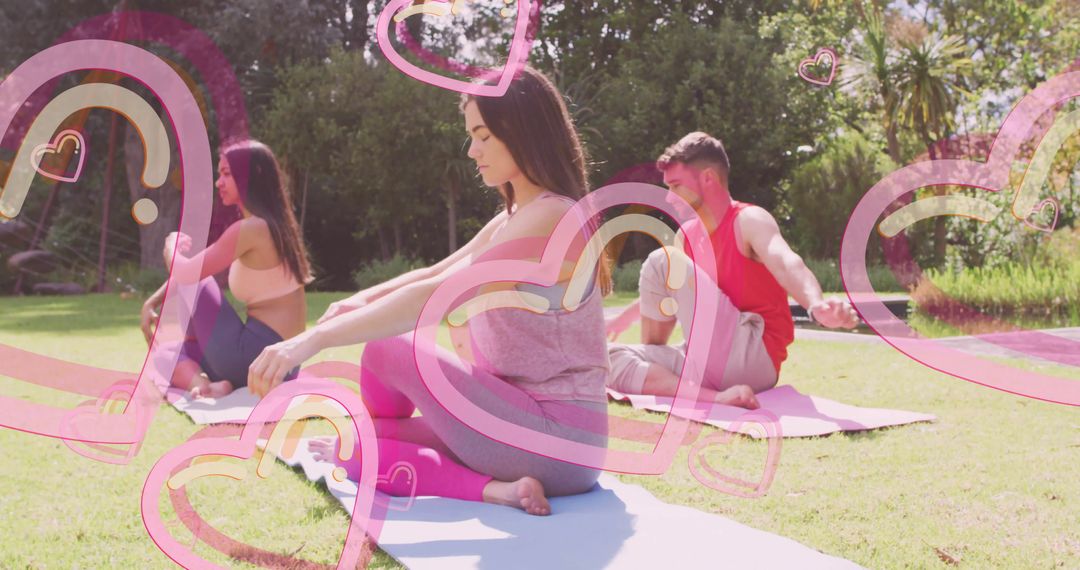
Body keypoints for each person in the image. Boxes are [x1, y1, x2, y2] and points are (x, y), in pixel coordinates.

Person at [248, 67, 612, 516]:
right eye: (471, 136)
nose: (472, 151)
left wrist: (314, 339)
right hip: (518, 424)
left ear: (523, 131)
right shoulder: (516, 216)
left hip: (558, 438)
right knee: (355, 443)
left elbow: (437, 295)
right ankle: (501, 490)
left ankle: (493, 480)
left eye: (483, 136)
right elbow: (435, 271)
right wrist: (357, 302)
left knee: (389, 347)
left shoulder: (553, 218)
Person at [606, 132, 859, 409]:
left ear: (708, 178)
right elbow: (672, 290)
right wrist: (622, 319)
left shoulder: (748, 220)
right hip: (708, 360)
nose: (669, 197)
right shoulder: (687, 235)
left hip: (752, 356)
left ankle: (678, 377)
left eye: (676, 186)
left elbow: (786, 262)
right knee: (607, 359)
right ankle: (715, 397)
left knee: (662, 260)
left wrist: (815, 305)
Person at [140, 140, 312, 399]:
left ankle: (210, 382)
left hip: (257, 358)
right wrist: (152, 302)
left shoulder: (252, 229)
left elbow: (188, 274)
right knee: (165, 354)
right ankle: (206, 386)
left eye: (226, 174)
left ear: (252, 176)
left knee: (197, 281)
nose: (218, 182)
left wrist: (170, 247)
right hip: (279, 367)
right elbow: (196, 271)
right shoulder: (275, 226)